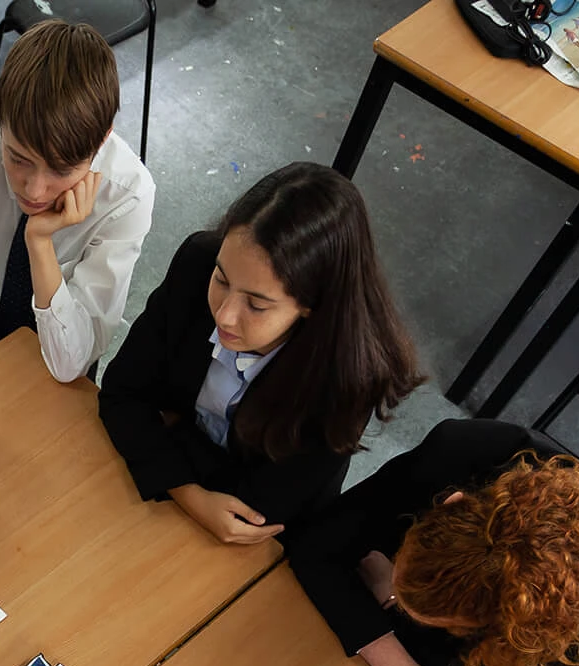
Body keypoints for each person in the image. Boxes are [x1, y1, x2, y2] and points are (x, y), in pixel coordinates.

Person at [99, 163, 424, 544]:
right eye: (221, 280)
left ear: (311, 306)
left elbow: (255, 511)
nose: (224, 315)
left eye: (257, 304)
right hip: (173, 494)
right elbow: (121, 392)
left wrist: (164, 432)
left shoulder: (349, 379)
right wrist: (191, 494)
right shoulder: (197, 261)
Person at [287, 419, 579, 666]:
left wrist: (386, 596)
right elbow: (316, 546)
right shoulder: (461, 450)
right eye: (405, 560)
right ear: (451, 503)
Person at [0, 20, 155, 383]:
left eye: (61, 169)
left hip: (60, 316)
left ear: (103, 140)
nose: (35, 191)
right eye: (18, 158)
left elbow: (72, 361)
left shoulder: (127, 196)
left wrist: (40, 244)